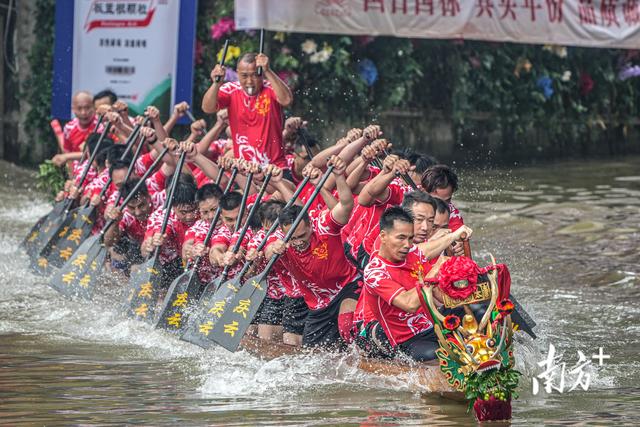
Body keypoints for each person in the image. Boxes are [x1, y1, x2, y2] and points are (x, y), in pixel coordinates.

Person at [266, 155, 360, 349]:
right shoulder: (279, 239)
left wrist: (339, 176)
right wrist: (273, 249)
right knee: (310, 355)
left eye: (302, 236)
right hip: (318, 304)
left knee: (347, 326)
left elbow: (346, 206)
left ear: (310, 225)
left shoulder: (323, 224)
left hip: (346, 287)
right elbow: (268, 252)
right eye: (293, 238)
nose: (298, 242)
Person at [362, 206, 445, 362]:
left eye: (410, 238)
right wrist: (436, 269)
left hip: (431, 325)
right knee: (440, 354)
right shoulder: (374, 272)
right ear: (383, 236)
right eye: (401, 237)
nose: (407, 244)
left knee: (478, 311)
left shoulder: (414, 253)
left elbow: (439, 294)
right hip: (404, 339)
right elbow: (409, 304)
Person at [201, 52, 294, 167]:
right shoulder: (230, 89)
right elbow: (207, 108)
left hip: (275, 167)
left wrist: (268, 71)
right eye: (244, 76)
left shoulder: (270, 88)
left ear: (261, 73)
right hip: (243, 169)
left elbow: (287, 100)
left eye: (255, 75)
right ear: (237, 73)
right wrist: (216, 84)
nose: (249, 81)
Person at [51, 91, 99, 167]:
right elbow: (67, 152)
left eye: (87, 108)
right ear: (73, 109)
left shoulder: (100, 126)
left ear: (94, 107)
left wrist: (66, 157)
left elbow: (93, 153)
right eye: (79, 108)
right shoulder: (69, 128)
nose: (83, 112)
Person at [421, 164, 464, 231]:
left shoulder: (454, 216)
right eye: (436, 200)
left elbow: (460, 237)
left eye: (447, 201)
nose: (441, 205)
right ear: (423, 192)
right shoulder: (405, 191)